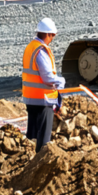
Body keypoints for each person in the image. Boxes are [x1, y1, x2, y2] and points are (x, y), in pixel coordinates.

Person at [22, 18, 65, 152]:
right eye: (52, 35)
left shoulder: (31, 47)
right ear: (47, 34)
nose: (52, 39)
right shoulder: (40, 51)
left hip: (31, 98)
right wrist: (61, 81)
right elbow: (47, 78)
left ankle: (30, 159)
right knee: (44, 138)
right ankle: (40, 163)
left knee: (33, 134)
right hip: (43, 99)